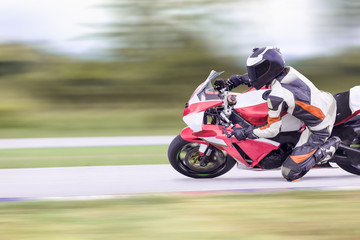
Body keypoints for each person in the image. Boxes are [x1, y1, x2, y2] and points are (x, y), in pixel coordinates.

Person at [217, 46, 341, 181]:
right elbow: (262, 80)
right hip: (326, 101)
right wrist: (238, 80)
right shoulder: (288, 71)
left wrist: (245, 133)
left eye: (257, 70)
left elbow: (271, 130)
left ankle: (326, 150)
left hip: (320, 126)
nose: (254, 74)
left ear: (269, 69)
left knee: (290, 173)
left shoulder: (277, 96)